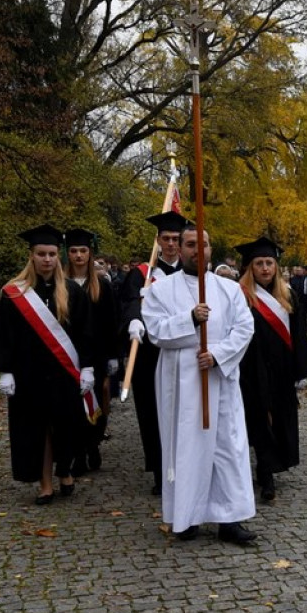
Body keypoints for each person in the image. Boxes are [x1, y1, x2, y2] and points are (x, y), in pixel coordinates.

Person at [141, 226, 257, 545]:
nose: (197, 250)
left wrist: (218, 355)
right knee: (186, 448)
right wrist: (190, 319)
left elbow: (244, 327)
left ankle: (229, 518)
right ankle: (186, 516)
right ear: (179, 248)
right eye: (190, 244)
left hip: (220, 378)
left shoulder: (228, 289)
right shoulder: (162, 290)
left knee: (227, 448)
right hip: (182, 383)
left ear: (210, 248)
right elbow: (156, 331)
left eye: (203, 244)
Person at [0, 225, 95, 504]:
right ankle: (45, 483)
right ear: (32, 256)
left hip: (64, 372)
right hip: (29, 375)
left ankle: (65, 472)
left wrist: (87, 366)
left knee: (64, 426)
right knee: (36, 430)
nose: (47, 259)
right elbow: (4, 335)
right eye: (41, 254)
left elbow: (86, 332)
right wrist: (6, 371)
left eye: (51, 253)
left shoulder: (72, 291)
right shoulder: (13, 294)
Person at [234, 236, 307, 502]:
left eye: (269, 262)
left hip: (281, 367)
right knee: (259, 417)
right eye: (259, 263)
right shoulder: (241, 295)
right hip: (252, 367)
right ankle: (266, 472)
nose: (265, 268)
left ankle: (273, 464)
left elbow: (299, 335)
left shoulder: (289, 294)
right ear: (250, 267)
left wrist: (300, 370)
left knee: (281, 417)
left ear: (276, 266)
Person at [119, 210, 189, 495]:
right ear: (158, 240)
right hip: (150, 353)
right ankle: (160, 472)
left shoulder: (191, 273)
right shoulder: (142, 274)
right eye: (166, 239)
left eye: (176, 239)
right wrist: (133, 318)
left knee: (184, 412)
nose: (171, 244)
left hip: (182, 351)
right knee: (152, 412)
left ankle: (185, 469)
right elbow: (128, 300)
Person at [64, 228, 120, 474]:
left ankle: (92, 444)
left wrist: (113, 355)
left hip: (96, 354)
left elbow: (112, 322)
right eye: (74, 251)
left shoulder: (102, 286)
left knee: (96, 399)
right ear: (68, 254)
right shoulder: (59, 285)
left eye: (83, 251)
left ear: (90, 253)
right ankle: (77, 453)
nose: (78, 256)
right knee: (72, 405)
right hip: (66, 352)